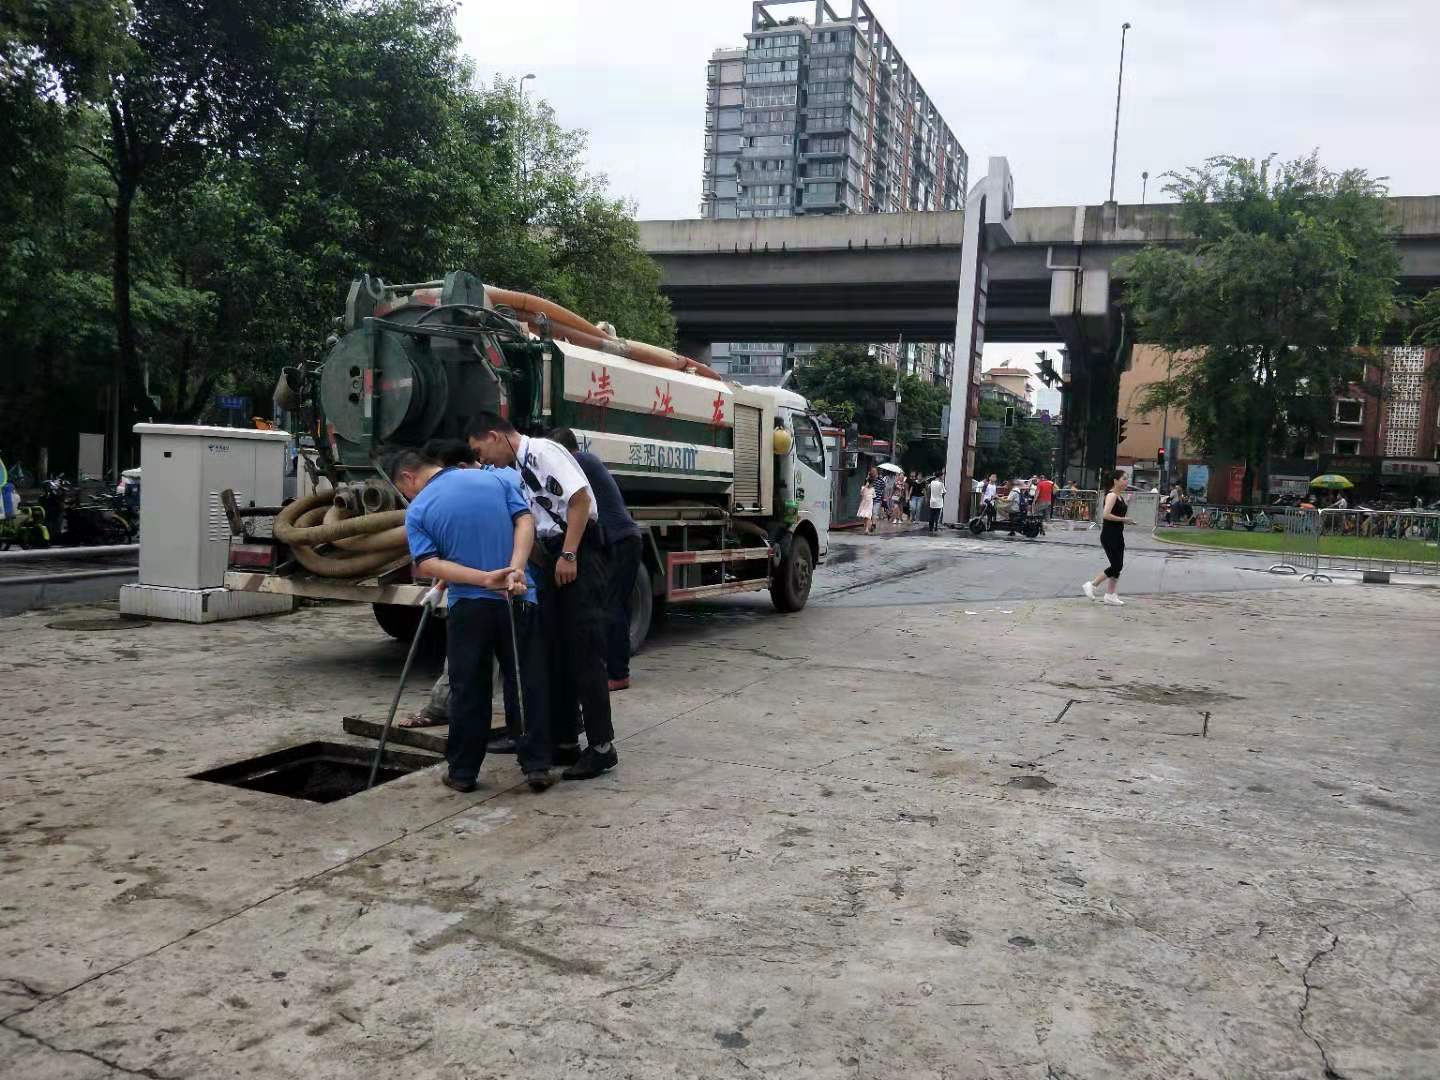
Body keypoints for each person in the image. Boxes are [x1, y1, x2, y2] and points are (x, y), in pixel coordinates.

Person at [389, 447, 553, 794]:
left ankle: (463, 772)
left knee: (469, 689)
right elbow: (525, 521)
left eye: (404, 490)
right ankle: (537, 766)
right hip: (518, 597)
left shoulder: (419, 509)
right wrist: (515, 570)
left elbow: (428, 563)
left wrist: (481, 579)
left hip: (469, 607)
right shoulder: (495, 480)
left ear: (408, 477)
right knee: (525, 682)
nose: (408, 496)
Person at [467, 413, 617, 781]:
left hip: (577, 551)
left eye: (480, 450)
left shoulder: (544, 452)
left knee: (584, 649)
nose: (482, 459)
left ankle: (602, 747)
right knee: (554, 651)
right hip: (551, 557)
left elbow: (580, 501)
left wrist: (569, 554)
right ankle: (564, 740)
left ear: (494, 436)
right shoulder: (516, 470)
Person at [550, 427, 643, 692]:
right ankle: (616, 668)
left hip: (620, 541)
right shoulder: (587, 461)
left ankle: (618, 674)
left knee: (611, 607)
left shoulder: (579, 462)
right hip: (622, 540)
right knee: (616, 606)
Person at [1083, 470, 1133, 606]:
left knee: (1118, 566)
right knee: (1116, 565)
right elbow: (1106, 515)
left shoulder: (1120, 497)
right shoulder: (1111, 495)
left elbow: (1118, 513)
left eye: (1127, 479)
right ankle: (1092, 584)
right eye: (1124, 479)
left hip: (1118, 534)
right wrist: (1124, 519)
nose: (1126, 481)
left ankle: (1110, 595)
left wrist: (1126, 510)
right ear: (1115, 481)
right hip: (1109, 534)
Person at [858, 467, 878, 533]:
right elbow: (874, 496)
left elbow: (861, 494)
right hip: (868, 503)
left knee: (866, 516)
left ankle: (866, 528)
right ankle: (866, 528)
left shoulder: (864, 488)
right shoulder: (872, 489)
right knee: (867, 516)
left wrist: (865, 487)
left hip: (865, 503)